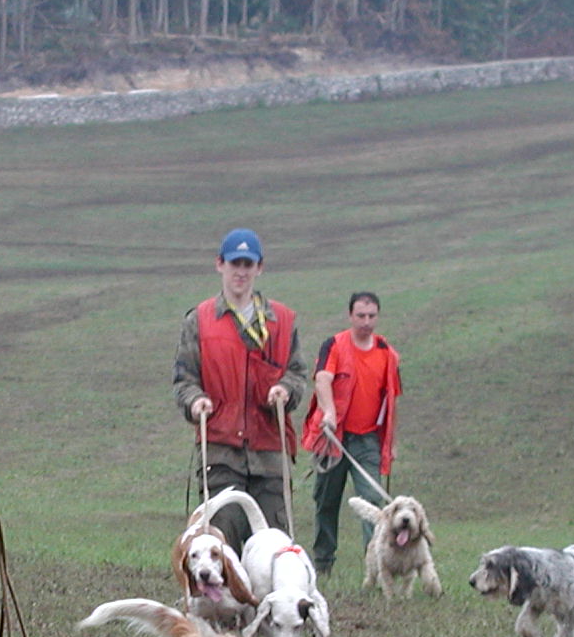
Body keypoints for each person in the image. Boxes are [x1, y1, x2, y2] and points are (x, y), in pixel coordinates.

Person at [171, 227, 308, 555]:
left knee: (274, 545)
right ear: (220, 264)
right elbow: (184, 379)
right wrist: (195, 401)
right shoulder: (199, 320)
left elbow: (299, 373)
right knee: (221, 543)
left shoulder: (283, 321)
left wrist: (285, 390)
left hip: (270, 450)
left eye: (248, 264)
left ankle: (274, 607)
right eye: (235, 263)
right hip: (221, 449)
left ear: (259, 268)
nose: (241, 272)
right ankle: (220, 606)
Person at [306, 290, 402, 581]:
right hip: (334, 438)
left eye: (372, 316)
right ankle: (323, 566)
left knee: (372, 504)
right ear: (350, 316)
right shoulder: (334, 345)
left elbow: (392, 400)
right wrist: (329, 412)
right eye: (361, 315)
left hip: (368, 441)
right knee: (326, 502)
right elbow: (323, 378)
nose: (366, 321)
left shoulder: (387, 353)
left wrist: (391, 443)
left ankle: (375, 569)